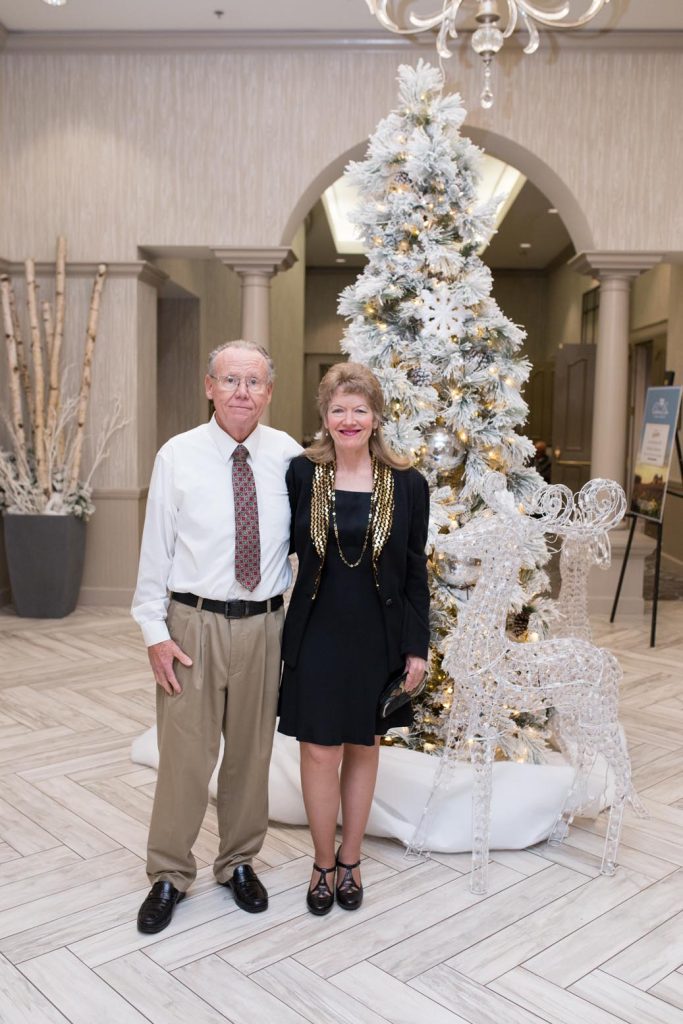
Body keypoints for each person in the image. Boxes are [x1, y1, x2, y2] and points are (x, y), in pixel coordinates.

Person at [132, 340, 301, 933]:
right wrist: (155, 632)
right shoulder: (177, 455)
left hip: (264, 624)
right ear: (209, 387)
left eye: (253, 382)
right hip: (192, 625)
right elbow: (155, 549)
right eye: (229, 380)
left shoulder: (290, 457)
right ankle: (169, 873)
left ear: (269, 392)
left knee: (252, 756)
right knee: (184, 755)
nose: (241, 393)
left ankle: (238, 863)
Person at [278, 362, 430, 915]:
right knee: (319, 752)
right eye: (338, 409)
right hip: (316, 634)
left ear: (376, 417)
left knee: (364, 748)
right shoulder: (301, 473)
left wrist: (417, 646)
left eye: (359, 409)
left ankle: (351, 861)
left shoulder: (408, 483)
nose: (349, 419)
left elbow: (415, 571)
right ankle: (322, 864)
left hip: (378, 638)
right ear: (324, 416)